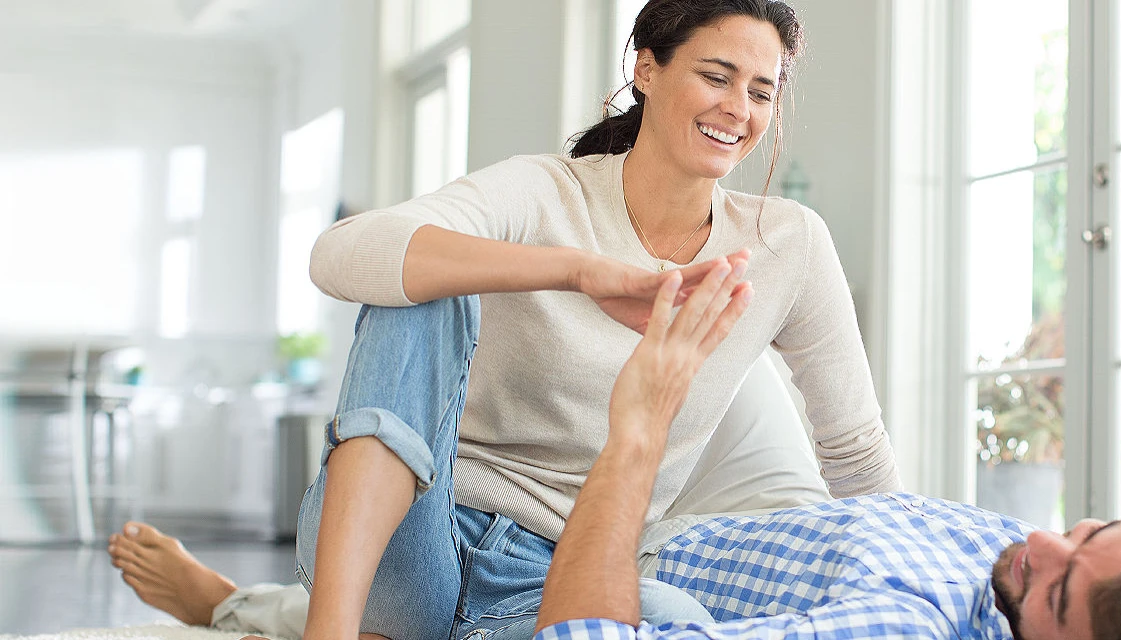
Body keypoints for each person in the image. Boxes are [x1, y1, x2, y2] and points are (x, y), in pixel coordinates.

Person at [111, 320, 1121, 639]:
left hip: (515, 595)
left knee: (408, 301)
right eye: (1082, 533)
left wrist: (636, 429)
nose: (1037, 552)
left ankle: (276, 613)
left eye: (1053, 598)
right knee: (430, 271)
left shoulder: (904, 630)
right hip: (718, 517)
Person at [290, 0, 898, 638]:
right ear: (646, 69)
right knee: (420, 286)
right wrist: (575, 271)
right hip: (410, 534)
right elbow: (342, 253)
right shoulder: (544, 192)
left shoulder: (787, 246)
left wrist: (923, 574)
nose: (738, 109)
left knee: (679, 621)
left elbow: (853, 450)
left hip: (562, 574)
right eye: (716, 77)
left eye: (761, 91)